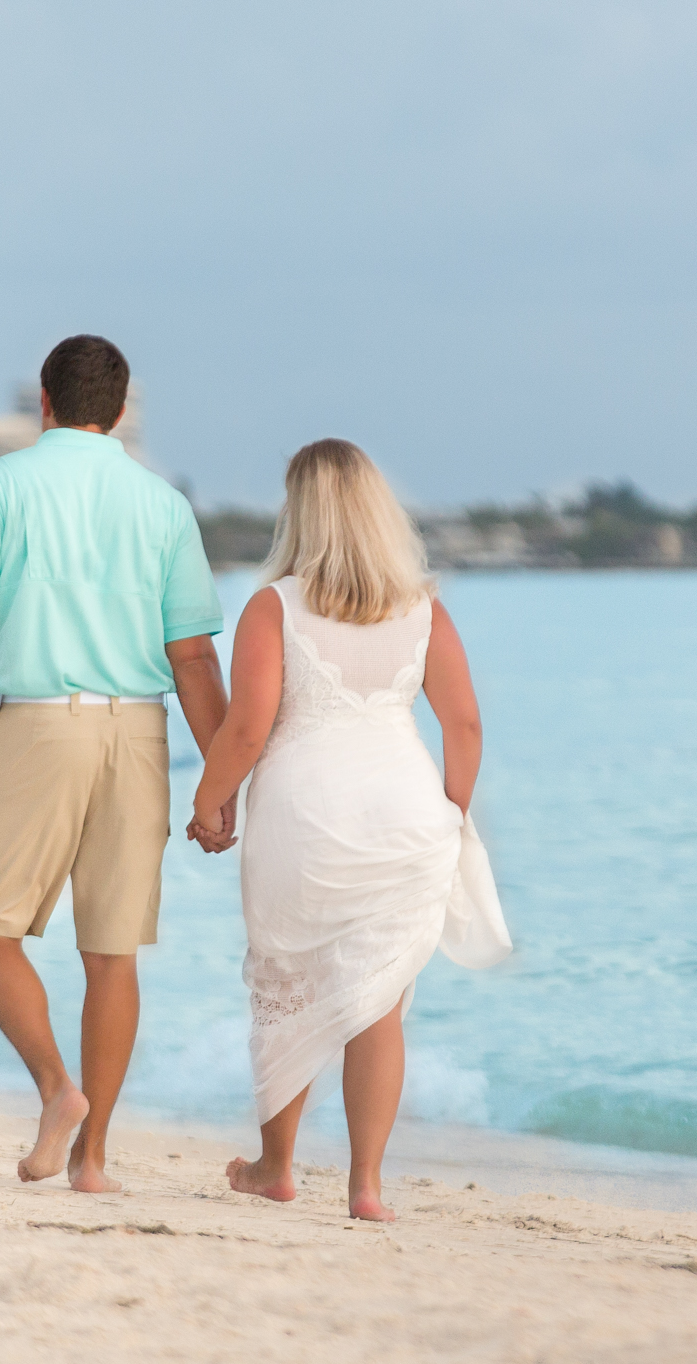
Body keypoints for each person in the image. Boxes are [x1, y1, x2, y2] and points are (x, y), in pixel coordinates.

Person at [0, 334, 233, 1194]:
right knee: (113, 952)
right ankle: (94, 1160)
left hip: (39, 726)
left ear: (43, 400)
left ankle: (55, 1089)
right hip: (139, 734)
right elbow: (193, 657)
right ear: (116, 413)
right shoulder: (163, 506)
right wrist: (223, 782)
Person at [186, 439, 511, 1220]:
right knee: (379, 1003)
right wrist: (453, 814)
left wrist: (208, 801)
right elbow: (463, 724)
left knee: (286, 978)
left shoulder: (275, 607)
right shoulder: (424, 609)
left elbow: (247, 727)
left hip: (304, 817)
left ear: (300, 515)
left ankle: (277, 1165)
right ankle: (365, 1187)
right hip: (405, 816)